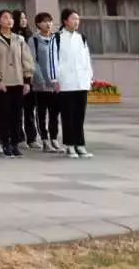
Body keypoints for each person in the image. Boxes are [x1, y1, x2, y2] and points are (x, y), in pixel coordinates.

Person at [0, 9, 34, 158]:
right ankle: (5, 142)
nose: (9, 20)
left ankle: (15, 143)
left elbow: (27, 60)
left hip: (18, 82)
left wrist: (27, 80)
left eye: (11, 18)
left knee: (17, 115)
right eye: (5, 18)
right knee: (4, 114)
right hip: (3, 83)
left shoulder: (19, 39)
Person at [53, 8, 94, 159]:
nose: (76, 21)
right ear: (65, 21)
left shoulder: (81, 38)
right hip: (66, 82)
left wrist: (89, 77)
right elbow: (53, 59)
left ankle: (80, 144)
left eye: (78, 19)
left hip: (81, 82)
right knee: (68, 115)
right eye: (73, 18)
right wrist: (55, 79)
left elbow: (86, 59)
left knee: (79, 115)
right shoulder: (57, 37)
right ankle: (70, 145)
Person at [29, 12, 62, 153]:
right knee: (41, 113)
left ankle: (54, 138)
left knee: (54, 113)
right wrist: (41, 79)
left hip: (56, 83)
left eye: (50, 21)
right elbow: (33, 61)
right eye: (44, 21)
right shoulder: (34, 40)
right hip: (41, 84)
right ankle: (44, 139)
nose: (48, 24)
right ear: (38, 24)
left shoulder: (57, 39)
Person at [13, 10, 38, 150]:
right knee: (18, 110)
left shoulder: (30, 36)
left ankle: (32, 137)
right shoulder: (13, 37)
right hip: (16, 76)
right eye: (20, 18)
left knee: (30, 110)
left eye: (25, 17)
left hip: (29, 77)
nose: (23, 20)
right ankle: (19, 137)